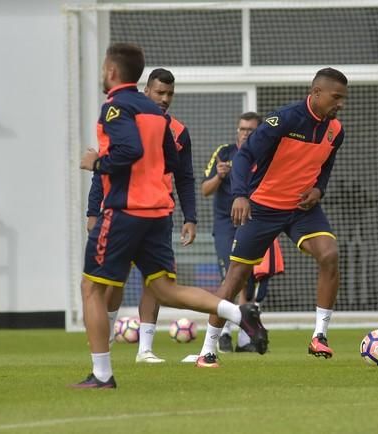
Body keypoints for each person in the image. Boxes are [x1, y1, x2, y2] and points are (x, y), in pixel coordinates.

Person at [73, 43, 266, 389]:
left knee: (91, 287)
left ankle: (102, 374)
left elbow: (127, 152)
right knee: (164, 288)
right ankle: (239, 314)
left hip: (125, 211)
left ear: (113, 72)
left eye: (104, 67)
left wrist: (96, 164)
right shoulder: (160, 118)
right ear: (145, 84)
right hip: (159, 212)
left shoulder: (115, 108)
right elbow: (172, 166)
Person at [195, 67, 347, 368]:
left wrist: (319, 189)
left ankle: (320, 336)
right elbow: (245, 156)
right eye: (336, 97)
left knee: (329, 254)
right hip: (262, 207)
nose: (340, 103)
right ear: (316, 93)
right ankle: (208, 349)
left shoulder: (336, 130)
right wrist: (240, 194)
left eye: (344, 98)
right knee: (235, 279)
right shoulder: (284, 119)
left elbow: (326, 164)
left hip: (302, 209)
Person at [86, 67, 197, 364]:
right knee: (114, 279)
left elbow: (184, 176)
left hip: (159, 212)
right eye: (160, 92)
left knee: (155, 281)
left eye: (170, 94)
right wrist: (92, 211)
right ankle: (104, 340)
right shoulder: (124, 120)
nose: (165, 99)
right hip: (122, 211)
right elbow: (104, 169)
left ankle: (145, 349)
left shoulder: (179, 131)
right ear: (146, 91)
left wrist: (191, 217)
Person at [200, 112, 284, 355]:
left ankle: (245, 338)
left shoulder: (266, 154)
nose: (245, 133)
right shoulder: (224, 152)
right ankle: (223, 332)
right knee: (231, 275)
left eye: (250, 130)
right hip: (226, 223)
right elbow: (205, 189)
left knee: (252, 279)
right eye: (242, 129)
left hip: (254, 220)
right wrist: (220, 176)